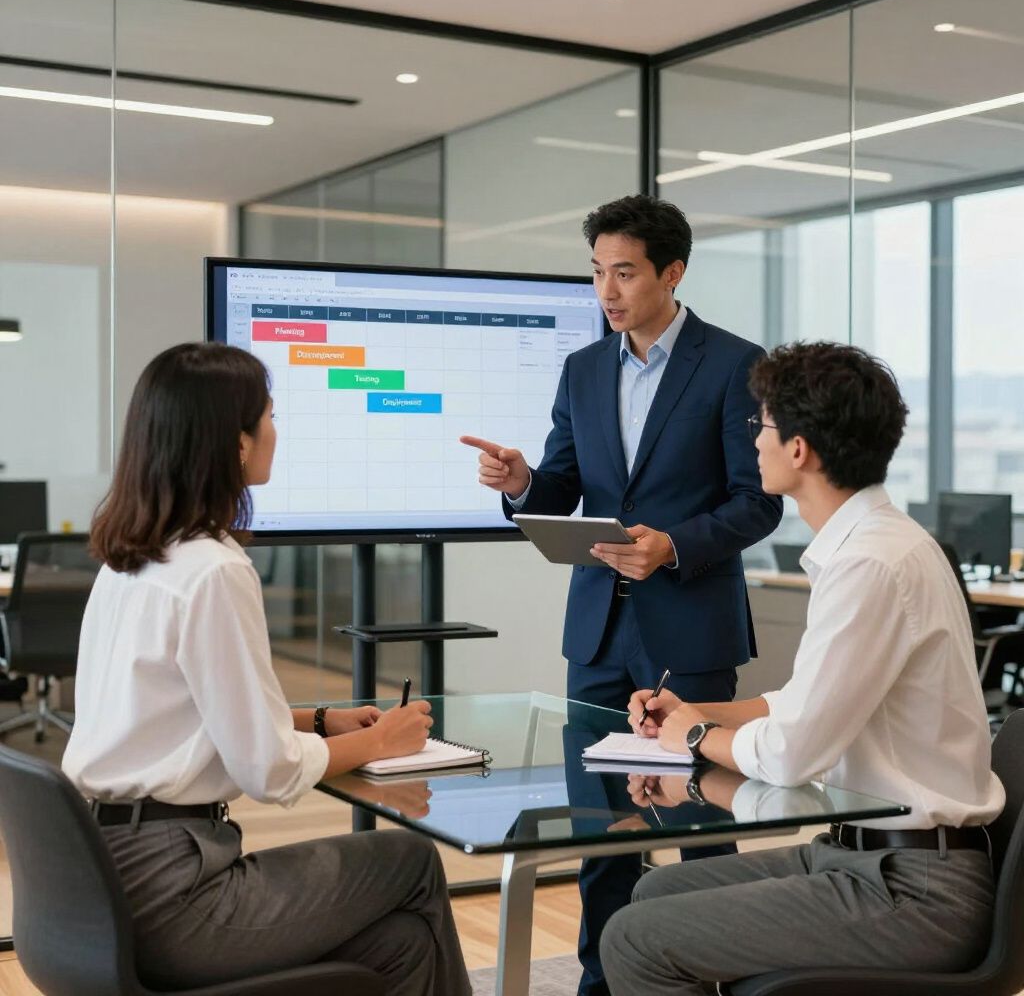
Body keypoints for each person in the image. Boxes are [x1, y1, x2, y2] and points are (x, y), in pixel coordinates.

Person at [62, 342, 471, 996]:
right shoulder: (215, 570)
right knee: (413, 859)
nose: (277, 431)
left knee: (401, 945)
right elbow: (270, 772)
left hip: (103, 882)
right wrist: (379, 741)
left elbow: (176, 716)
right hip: (180, 898)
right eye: (271, 415)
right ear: (238, 444)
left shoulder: (133, 560)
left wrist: (318, 720)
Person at [602, 341, 1005, 995]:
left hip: (917, 895)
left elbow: (792, 754)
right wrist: (699, 713)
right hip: (865, 860)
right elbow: (803, 704)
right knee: (651, 895)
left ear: (799, 450)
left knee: (635, 939)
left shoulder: (872, 563)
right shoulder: (875, 546)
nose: (753, 439)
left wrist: (693, 741)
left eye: (760, 424)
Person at [462, 194, 782, 994]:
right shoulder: (582, 368)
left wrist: (674, 546)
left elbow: (760, 498)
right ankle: (603, 981)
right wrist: (523, 482)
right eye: (598, 272)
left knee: (697, 824)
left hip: (690, 628)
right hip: (598, 633)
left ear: (672, 272)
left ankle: (718, 974)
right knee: (601, 827)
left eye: (625, 272)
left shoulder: (735, 364)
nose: (607, 290)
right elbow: (563, 483)